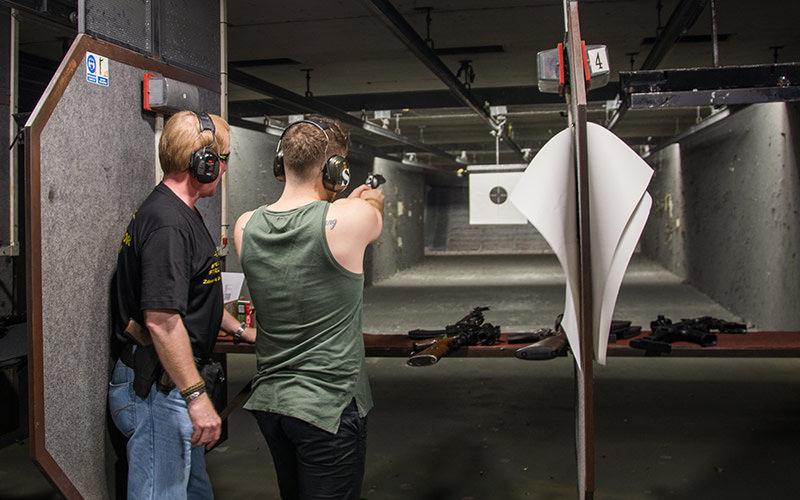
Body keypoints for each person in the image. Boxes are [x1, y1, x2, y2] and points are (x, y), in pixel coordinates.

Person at [234, 116, 384, 500]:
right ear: (336, 170)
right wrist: (365, 197)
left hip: (273, 403)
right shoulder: (353, 216)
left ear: (280, 163)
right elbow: (371, 214)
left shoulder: (246, 226)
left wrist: (340, 203)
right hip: (328, 407)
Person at [108, 110, 255, 500]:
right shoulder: (169, 226)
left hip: (170, 383)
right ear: (204, 163)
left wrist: (240, 330)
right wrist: (196, 396)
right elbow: (162, 320)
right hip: (159, 388)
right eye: (222, 158)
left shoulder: (179, 213)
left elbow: (194, 295)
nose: (224, 168)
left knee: (193, 492)